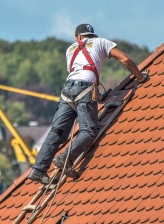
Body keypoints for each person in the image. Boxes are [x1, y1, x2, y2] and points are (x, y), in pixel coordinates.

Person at [28, 23, 148, 185]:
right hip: (85, 89)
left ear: (78, 37)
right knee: (89, 131)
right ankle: (65, 158)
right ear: (91, 35)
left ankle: (38, 169)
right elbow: (125, 59)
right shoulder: (101, 42)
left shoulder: (70, 49)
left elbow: (78, 72)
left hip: (67, 91)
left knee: (56, 132)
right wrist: (140, 77)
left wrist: (96, 98)